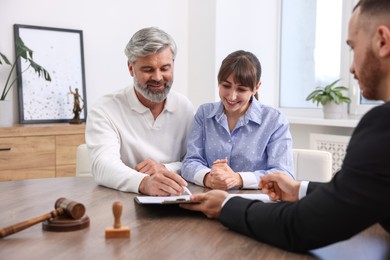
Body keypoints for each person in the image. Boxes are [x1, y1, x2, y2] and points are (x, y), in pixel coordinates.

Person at [180, 0, 390, 252]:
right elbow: (355, 194)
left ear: (382, 41)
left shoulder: (382, 127)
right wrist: (300, 189)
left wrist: (226, 204)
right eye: (226, 85)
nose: (351, 68)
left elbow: (303, 226)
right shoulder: (205, 113)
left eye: (353, 47)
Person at [86, 27, 194, 195]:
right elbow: (102, 165)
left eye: (165, 68)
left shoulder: (185, 107)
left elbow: (193, 160)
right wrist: (144, 182)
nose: (158, 77)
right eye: (148, 69)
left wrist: (163, 168)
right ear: (131, 68)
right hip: (119, 201)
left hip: (174, 198)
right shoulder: (104, 109)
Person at [181, 50, 294, 190]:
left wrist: (238, 179)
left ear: (256, 87)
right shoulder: (204, 114)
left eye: (241, 89)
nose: (232, 96)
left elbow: (284, 174)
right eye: (226, 86)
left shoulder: (274, 120)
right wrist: (208, 177)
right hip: (209, 199)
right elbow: (190, 162)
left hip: (254, 205)